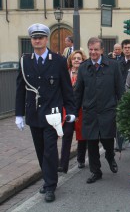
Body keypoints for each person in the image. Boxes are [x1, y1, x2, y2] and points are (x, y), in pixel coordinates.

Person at [15, 23, 76, 202]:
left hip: (53, 115)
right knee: (40, 150)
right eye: (34, 38)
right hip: (33, 114)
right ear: (31, 40)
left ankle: (50, 185)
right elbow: (20, 89)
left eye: (40, 38)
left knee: (49, 150)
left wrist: (71, 110)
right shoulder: (25, 60)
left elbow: (66, 88)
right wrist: (19, 114)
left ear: (46, 39)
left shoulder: (57, 60)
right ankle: (48, 179)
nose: (37, 41)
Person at [74, 37, 124, 184]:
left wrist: (123, 110)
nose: (93, 52)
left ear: (102, 50)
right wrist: (74, 112)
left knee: (108, 141)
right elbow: (78, 92)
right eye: (90, 49)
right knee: (92, 144)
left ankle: (110, 156)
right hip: (90, 113)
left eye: (96, 49)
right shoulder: (83, 67)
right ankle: (96, 171)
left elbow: (120, 89)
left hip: (108, 111)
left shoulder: (113, 66)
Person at [58, 50, 88, 173]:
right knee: (67, 134)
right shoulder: (66, 74)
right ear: (70, 60)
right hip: (68, 110)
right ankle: (63, 165)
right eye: (74, 58)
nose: (76, 60)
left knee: (81, 136)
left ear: (82, 60)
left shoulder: (85, 74)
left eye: (79, 58)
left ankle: (80, 159)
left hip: (81, 109)